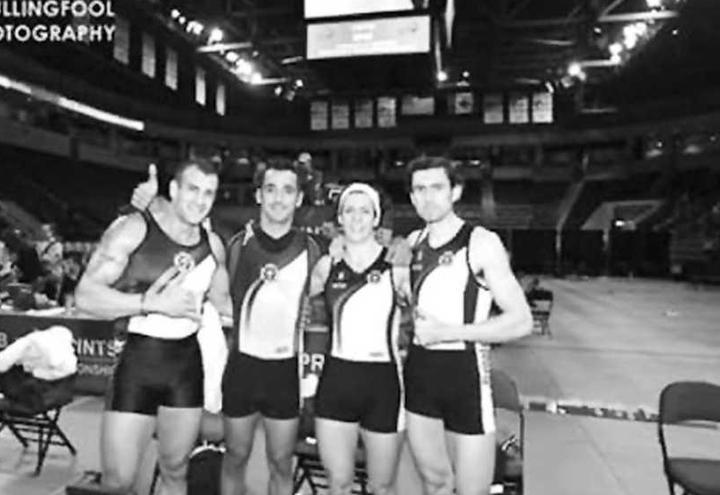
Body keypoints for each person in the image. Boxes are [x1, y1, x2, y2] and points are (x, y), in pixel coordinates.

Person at [130, 157, 323, 495]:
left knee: (281, 463)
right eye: (271, 189)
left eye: (288, 190)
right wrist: (149, 208)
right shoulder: (233, 247)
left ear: (299, 199)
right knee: (234, 458)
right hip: (242, 371)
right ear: (259, 195)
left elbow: (325, 295)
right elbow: (212, 290)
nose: (279, 198)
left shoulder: (312, 250)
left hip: (285, 373)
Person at [75, 158, 232, 495]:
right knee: (118, 482)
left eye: (209, 193)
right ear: (174, 190)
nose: (200, 200)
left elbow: (225, 305)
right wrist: (149, 303)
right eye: (193, 189)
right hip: (139, 365)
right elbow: (85, 296)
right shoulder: (134, 228)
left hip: (186, 370)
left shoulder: (214, 245)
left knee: (175, 472)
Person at [401, 155, 532, 495]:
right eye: (419, 190)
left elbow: (521, 321)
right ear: (412, 197)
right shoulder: (408, 244)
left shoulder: (481, 244)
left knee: (472, 490)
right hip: (419, 376)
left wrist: (448, 332)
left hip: (466, 378)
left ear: (455, 191)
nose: (428, 197)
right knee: (435, 483)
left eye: (436, 188)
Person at [308, 183, 407, 495]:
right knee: (338, 484)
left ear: (376, 218)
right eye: (349, 210)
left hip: (383, 384)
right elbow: (293, 305)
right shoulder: (326, 266)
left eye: (365, 211)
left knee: (381, 486)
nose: (357, 218)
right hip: (337, 380)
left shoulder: (398, 267)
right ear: (340, 218)